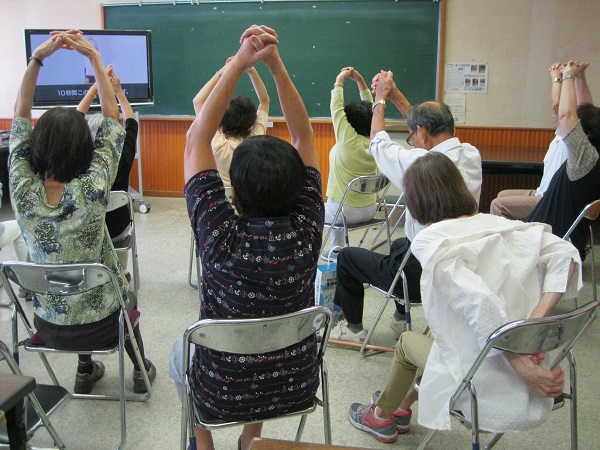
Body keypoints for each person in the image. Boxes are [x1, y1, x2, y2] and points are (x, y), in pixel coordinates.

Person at [348, 152, 581, 443]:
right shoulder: (501, 224)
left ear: (416, 200)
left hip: (487, 379)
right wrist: (533, 326)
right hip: (529, 361)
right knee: (441, 337)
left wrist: (522, 365)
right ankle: (401, 408)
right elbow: (566, 255)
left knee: (408, 343)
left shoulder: (432, 240)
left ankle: (380, 416)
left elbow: (479, 303)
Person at [168, 25, 324, 450]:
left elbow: (196, 136)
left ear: (231, 193)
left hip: (222, 391)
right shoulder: (309, 230)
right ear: (301, 187)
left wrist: (237, 64)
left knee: (176, 355)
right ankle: (251, 438)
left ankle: (203, 443)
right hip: (295, 385)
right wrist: (275, 65)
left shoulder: (217, 236)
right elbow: (304, 135)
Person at [9, 29, 155, 395]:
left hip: (47, 325)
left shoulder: (22, 193)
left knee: (77, 284)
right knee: (122, 289)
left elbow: (19, 115)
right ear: (84, 151)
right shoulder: (91, 189)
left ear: (36, 148)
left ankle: (85, 370)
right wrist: (93, 58)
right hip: (104, 325)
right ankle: (140, 369)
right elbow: (111, 123)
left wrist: (38, 58)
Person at [331, 70, 482, 342]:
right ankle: (402, 319)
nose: (411, 137)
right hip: (460, 265)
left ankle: (352, 329)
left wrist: (380, 100)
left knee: (347, 257)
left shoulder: (417, 165)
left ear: (421, 133)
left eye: (413, 134)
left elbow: (378, 139)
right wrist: (395, 92)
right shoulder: (471, 155)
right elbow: (424, 127)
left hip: (421, 274)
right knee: (399, 244)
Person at [525, 60, 599, 261]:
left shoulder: (586, 159)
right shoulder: (593, 155)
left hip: (548, 240)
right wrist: (579, 77)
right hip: (557, 235)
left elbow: (566, 115)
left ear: (587, 135)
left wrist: (566, 76)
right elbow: (587, 111)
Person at [78, 64, 137, 272]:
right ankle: (119, 275)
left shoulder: (76, 158)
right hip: (117, 230)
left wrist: (95, 89)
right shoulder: (124, 154)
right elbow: (131, 123)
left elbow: (73, 122)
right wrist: (118, 91)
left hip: (85, 230)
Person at [490, 63, 569, 219]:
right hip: (540, 192)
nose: (553, 115)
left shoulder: (567, 136)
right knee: (502, 195)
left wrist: (557, 77)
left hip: (548, 200)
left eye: (557, 114)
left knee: (497, 205)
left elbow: (558, 105)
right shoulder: (558, 137)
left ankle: (507, 239)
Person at [321, 67, 378, 261]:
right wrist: (360, 81)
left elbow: (336, 108)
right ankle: (337, 247)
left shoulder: (347, 141)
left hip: (343, 214)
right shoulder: (377, 142)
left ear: (348, 124)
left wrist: (339, 82)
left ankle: (336, 247)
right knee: (336, 202)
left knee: (323, 205)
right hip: (371, 209)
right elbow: (372, 111)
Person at [192, 56, 269, 186]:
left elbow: (198, 101)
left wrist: (225, 69)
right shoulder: (255, 141)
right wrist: (251, 71)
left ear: (219, 126)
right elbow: (264, 101)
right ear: (251, 126)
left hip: (221, 199)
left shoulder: (217, 145)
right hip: (247, 201)